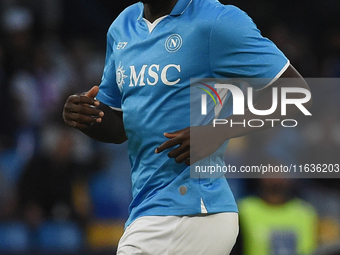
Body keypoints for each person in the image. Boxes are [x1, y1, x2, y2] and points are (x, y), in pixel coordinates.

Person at [63, 0, 311, 254]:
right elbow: (119, 128)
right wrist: (87, 116)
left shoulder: (217, 21)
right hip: (147, 208)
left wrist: (218, 131)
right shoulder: (122, 27)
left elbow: (295, 92)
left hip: (194, 210)